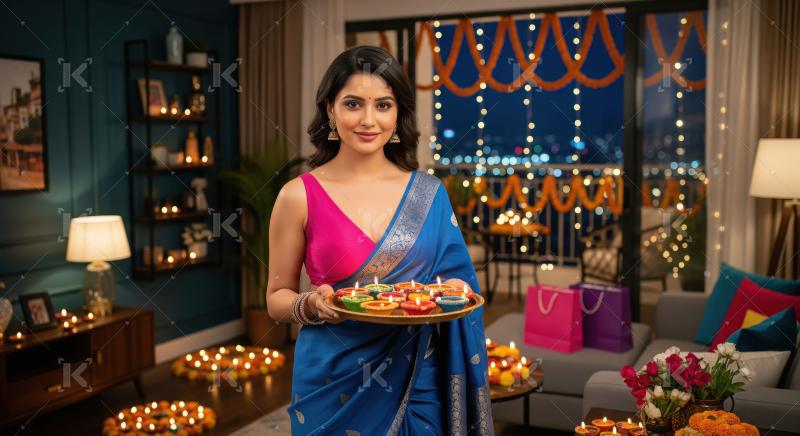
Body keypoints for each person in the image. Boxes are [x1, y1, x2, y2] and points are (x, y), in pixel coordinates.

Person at [266, 45, 493, 435]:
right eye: (353, 103)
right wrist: (311, 304)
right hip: (332, 378)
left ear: (398, 113)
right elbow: (276, 298)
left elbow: (459, 285)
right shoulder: (298, 195)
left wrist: (455, 290)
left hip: (418, 375)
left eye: (383, 105)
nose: (368, 120)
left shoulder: (428, 194)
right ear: (329, 110)